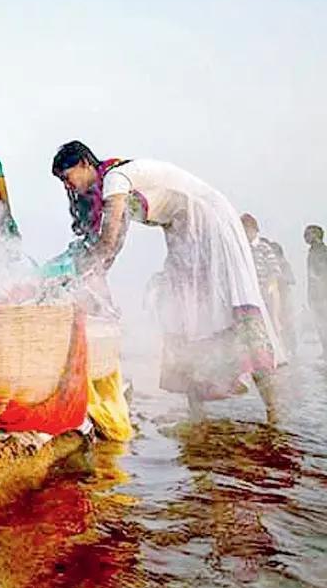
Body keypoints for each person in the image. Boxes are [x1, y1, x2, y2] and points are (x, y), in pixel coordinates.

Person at [51, 141, 282, 419]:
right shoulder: (113, 181)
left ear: (85, 164)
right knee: (184, 312)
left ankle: (274, 412)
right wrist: (87, 278)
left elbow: (109, 242)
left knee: (233, 306)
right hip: (184, 231)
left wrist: (80, 280)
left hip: (210, 224)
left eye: (67, 177)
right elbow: (110, 246)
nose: (67, 186)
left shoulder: (115, 179)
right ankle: (196, 418)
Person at [306, 225, 327, 354]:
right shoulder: (313, 252)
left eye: (308, 234)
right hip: (315, 294)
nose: (305, 237)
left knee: (323, 322)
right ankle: (325, 350)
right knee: (320, 324)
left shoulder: (322, 252)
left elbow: (321, 274)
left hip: (322, 294)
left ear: (316, 235)